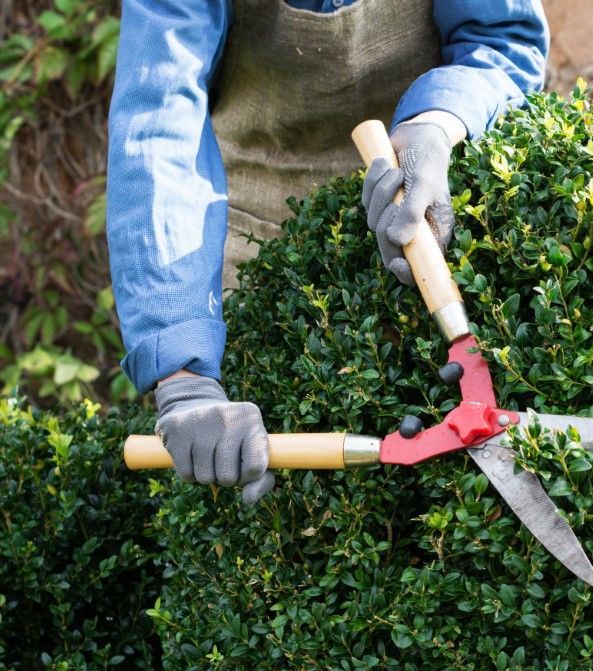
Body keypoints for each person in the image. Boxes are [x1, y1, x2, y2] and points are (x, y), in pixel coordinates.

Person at [107, 1, 549, 504]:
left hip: (424, 205)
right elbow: (157, 117)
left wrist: (438, 121)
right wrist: (183, 377)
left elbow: (502, 38)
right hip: (253, 227)